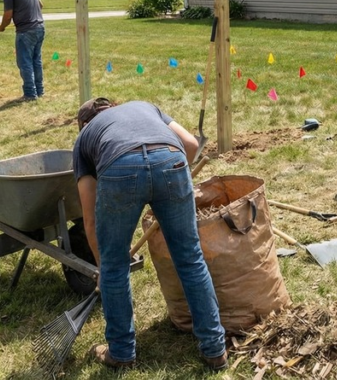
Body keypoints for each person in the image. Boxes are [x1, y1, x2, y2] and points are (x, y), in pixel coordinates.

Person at [72, 98, 228, 370]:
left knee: (115, 266)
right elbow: (191, 145)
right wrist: (169, 179)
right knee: (190, 258)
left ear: (84, 123)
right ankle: (215, 349)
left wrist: (103, 270)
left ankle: (121, 353)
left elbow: (89, 219)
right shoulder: (144, 106)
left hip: (119, 167)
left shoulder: (85, 135)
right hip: (171, 158)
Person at [0, 0, 45, 100]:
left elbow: (7, 15)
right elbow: (40, 5)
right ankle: (39, 91)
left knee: (25, 62)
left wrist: (2, 27)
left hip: (25, 31)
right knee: (36, 60)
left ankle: (29, 94)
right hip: (39, 27)